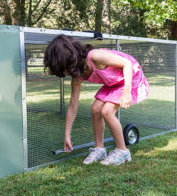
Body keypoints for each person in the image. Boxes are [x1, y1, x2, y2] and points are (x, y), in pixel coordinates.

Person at [44, 34, 149, 166]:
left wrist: (127, 93)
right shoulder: (78, 74)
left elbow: (127, 64)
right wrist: (67, 135)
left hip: (129, 76)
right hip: (113, 82)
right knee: (95, 109)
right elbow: (72, 105)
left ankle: (123, 152)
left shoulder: (95, 56)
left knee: (107, 111)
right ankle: (99, 149)